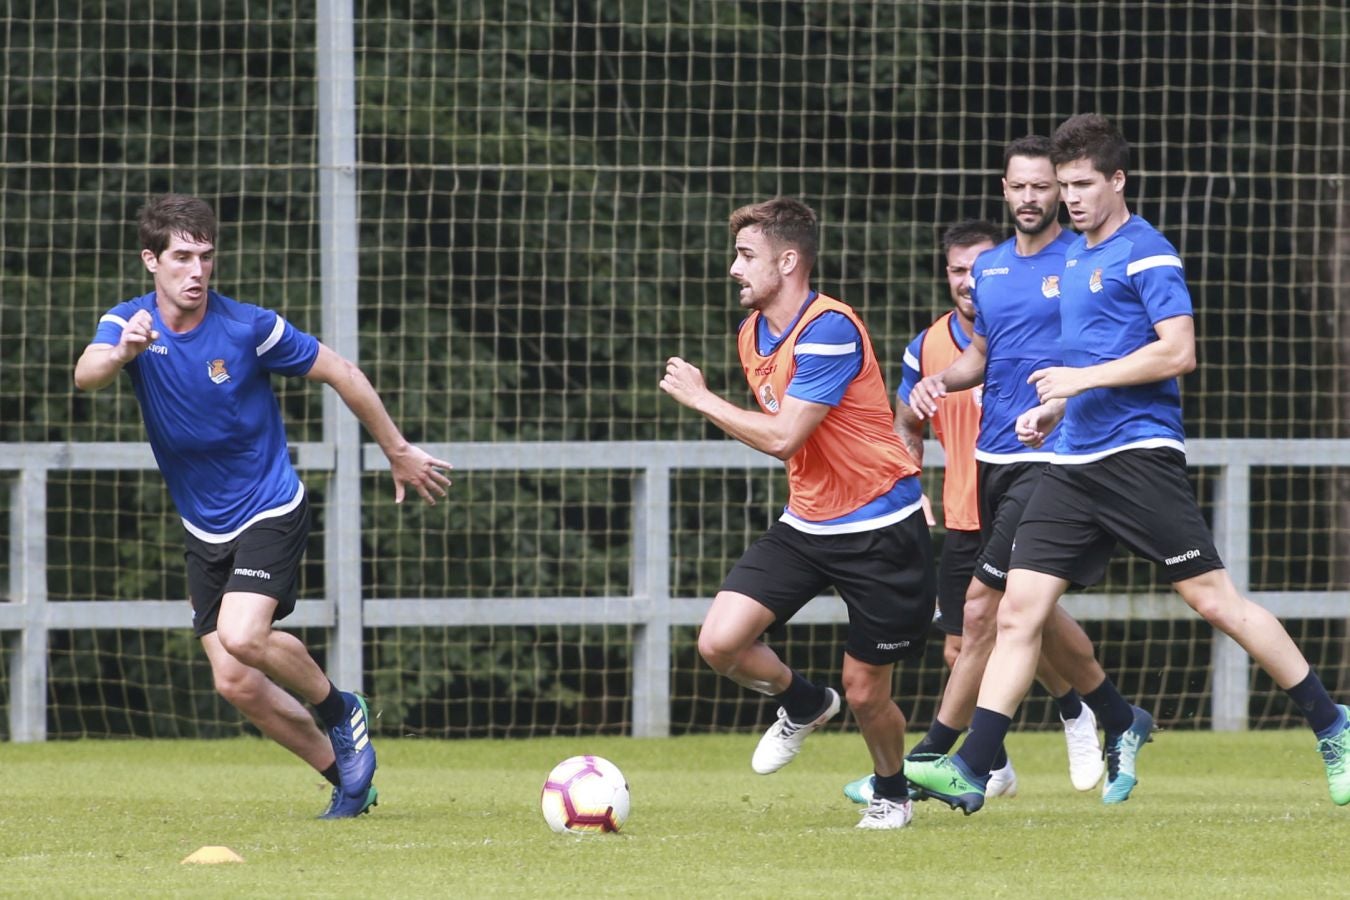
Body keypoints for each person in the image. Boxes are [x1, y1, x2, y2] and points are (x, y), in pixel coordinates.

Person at [906, 114, 1350, 814]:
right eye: (1065, 186)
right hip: (1071, 462)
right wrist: (1056, 409)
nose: (1071, 198)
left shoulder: (1147, 252)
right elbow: (1094, 362)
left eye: (1083, 184)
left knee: (1214, 601)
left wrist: (1078, 383)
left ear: (1117, 180)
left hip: (1138, 454)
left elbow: (1178, 352)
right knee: (1018, 610)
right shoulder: (1074, 260)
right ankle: (969, 764)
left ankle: (1332, 724)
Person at [74, 194, 453, 819]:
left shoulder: (249, 327)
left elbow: (342, 371)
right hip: (203, 525)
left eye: (205, 256)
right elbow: (86, 373)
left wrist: (397, 449)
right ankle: (347, 778)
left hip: (269, 506)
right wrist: (121, 353)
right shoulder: (128, 323)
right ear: (151, 260)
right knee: (234, 680)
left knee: (243, 634)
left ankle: (341, 709)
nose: (196, 270)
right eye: (181, 257)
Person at [660, 197, 934, 830]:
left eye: (746, 255)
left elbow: (784, 436)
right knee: (720, 643)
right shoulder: (751, 333)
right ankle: (806, 702)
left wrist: (703, 399)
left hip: (878, 529)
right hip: (807, 523)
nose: (734, 268)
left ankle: (892, 792)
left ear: (787, 262)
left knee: (867, 692)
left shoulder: (830, 329)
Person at [843, 214, 1100, 807]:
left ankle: (1074, 713)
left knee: (1010, 618)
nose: (969, 280)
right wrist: (911, 482)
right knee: (969, 643)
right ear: (947, 275)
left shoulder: (1041, 325)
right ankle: (1002, 758)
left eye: (979, 268)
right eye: (958, 270)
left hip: (1030, 491)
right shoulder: (925, 348)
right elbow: (906, 424)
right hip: (965, 509)